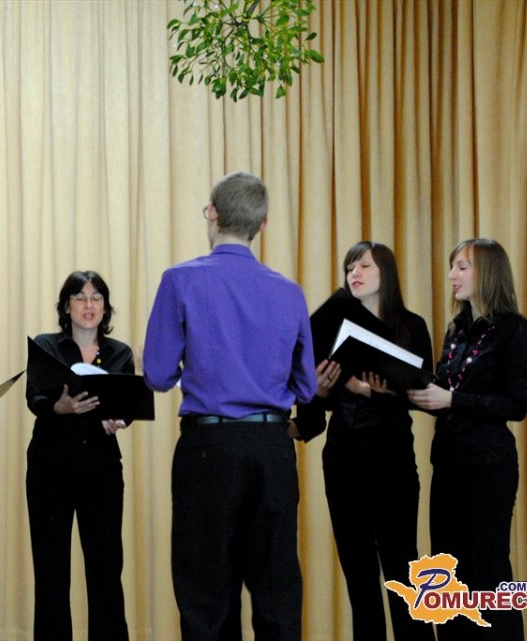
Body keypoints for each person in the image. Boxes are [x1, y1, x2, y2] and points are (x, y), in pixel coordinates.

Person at [143, 171, 317, 641]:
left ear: (212, 213)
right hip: (271, 447)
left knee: (206, 596)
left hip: (208, 448)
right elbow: (307, 387)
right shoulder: (289, 291)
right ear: (262, 225)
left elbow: (158, 375)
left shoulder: (179, 280)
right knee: (276, 591)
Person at [291, 242, 435, 641]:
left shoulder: (411, 325)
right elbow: (314, 407)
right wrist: (320, 391)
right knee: (358, 574)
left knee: (402, 569)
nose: (354, 273)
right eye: (349, 267)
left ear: (386, 272)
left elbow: (425, 393)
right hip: (343, 459)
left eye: (365, 266)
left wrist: (371, 391)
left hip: (391, 457)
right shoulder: (332, 327)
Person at [408, 238, 527, 641]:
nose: (452, 275)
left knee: (488, 570)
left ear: (488, 273)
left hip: (488, 467)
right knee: (449, 572)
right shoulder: (456, 330)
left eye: (462, 267)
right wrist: (402, 388)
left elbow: (516, 405)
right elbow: (444, 392)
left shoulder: (516, 331)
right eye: (453, 267)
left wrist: (453, 400)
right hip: (448, 464)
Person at [25, 271, 132, 641]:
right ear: (66, 306)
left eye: (96, 298)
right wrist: (59, 407)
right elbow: (34, 398)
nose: (89, 305)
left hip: (101, 471)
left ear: (105, 307)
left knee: (106, 569)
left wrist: (120, 419)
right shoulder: (46, 346)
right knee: (51, 570)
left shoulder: (120, 353)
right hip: (50, 470)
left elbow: (128, 405)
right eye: (80, 297)